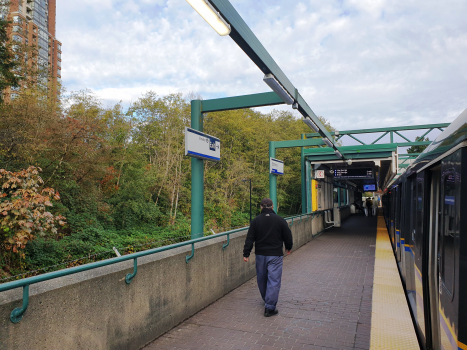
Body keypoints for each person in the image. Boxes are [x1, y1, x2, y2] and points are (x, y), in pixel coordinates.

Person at [243, 198, 293, 317]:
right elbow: (287, 235)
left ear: (261, 207)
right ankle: (270, 307)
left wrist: (246, 253)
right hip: (275, 255)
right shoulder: (280, 220)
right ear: (272, 206)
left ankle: (267, 299)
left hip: (260, 254)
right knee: (274, 280)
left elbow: (250, 238)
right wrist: (288, 247)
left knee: (262, 278)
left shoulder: (256, 221)